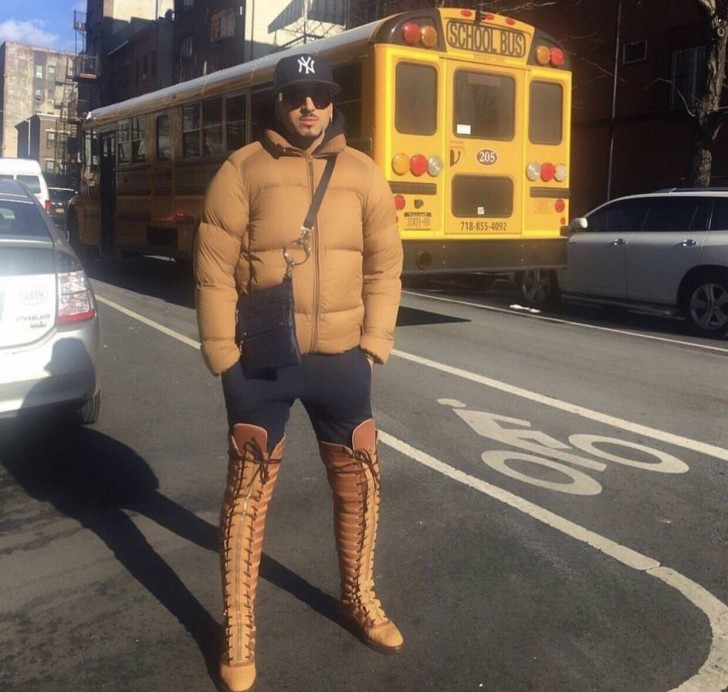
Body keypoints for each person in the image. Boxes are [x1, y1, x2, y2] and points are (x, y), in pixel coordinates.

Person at [194, 52, 404, 692]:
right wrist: (223, 356)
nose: (307, 104)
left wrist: (374, 341)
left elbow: (384, 264)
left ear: (333, 102)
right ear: (279, 102)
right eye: (295, 95)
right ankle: (237, 628)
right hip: (262, 362)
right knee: (247, 499)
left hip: (343, 359)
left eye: (318, 94)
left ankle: (358, 597)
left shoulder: (364, 174)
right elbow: (213, 266)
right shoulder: (242, 170)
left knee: (361, 486)